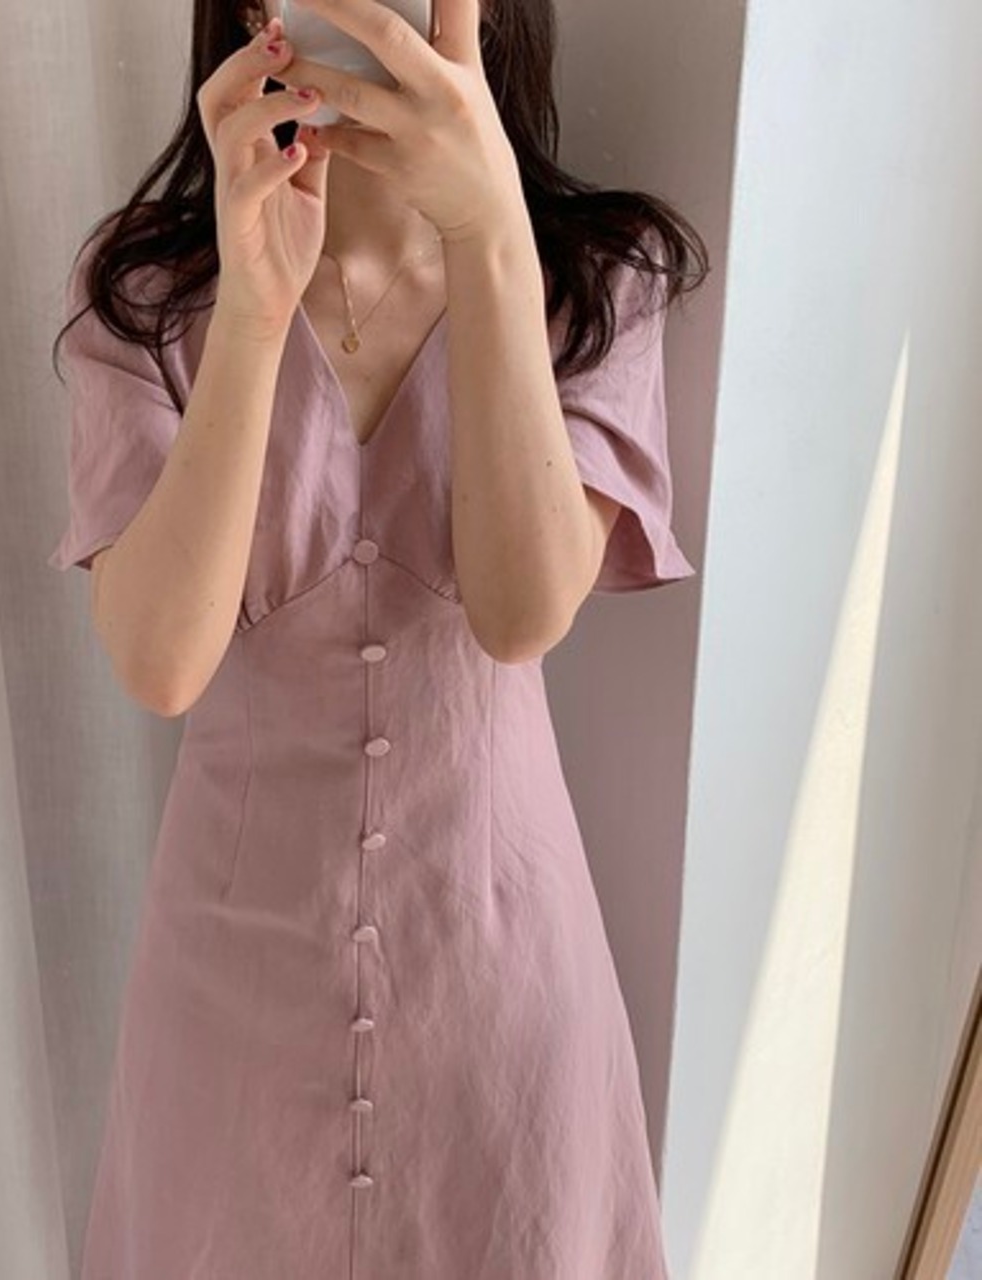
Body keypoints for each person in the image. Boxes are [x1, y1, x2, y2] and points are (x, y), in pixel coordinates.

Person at [49, 0, 708, 1275]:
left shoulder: (594, 279)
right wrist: (254, 307)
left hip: (502, 997)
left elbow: (521, 610)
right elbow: (159, 662)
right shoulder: (145, 295)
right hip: (231, 1011)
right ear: (256, 13)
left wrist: (487, 234)